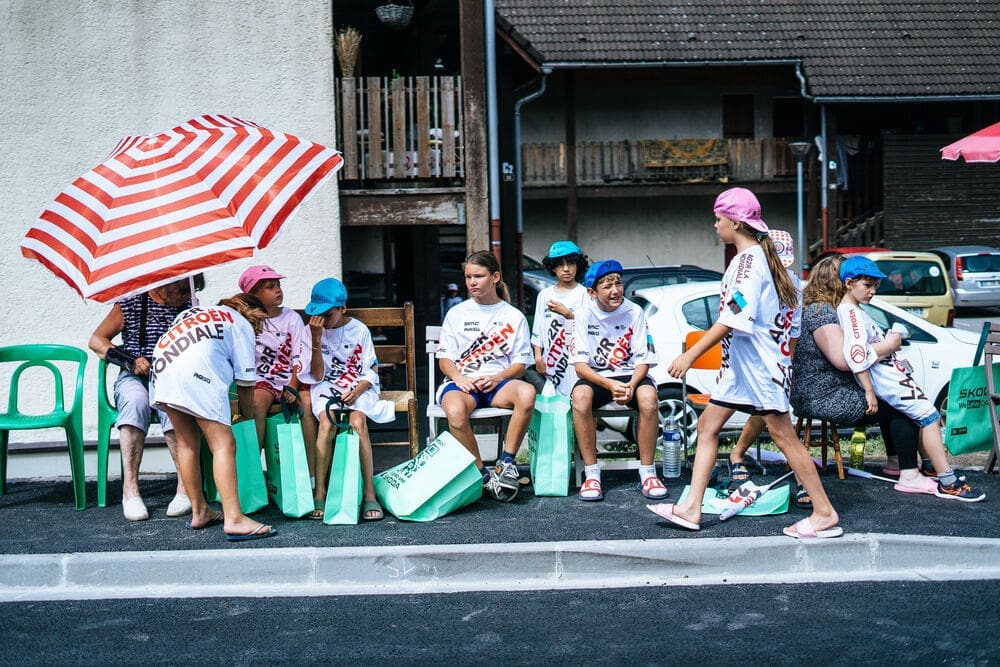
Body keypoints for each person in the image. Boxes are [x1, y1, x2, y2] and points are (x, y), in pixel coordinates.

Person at [649, 186, 842, 539]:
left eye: (718, 218)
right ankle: (691, 507)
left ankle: (824, 512)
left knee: (783, 436)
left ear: (735, 223)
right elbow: (787, 328)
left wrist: (690, 354)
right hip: (751, 365)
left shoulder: (748, 261)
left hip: (757, 365)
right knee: (708, 426)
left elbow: (735, 316)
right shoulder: (765, 261)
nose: (715, 225)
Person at [838, 256, 986, 502]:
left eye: (875, 285)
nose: (873, 291)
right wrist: (869, 388)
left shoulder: (855, 310)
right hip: (886, 380)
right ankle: (947, 480)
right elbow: (856, 356)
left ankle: (931, 468)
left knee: (923, 416)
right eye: (867, 285)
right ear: (849, 283)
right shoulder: (851, 313)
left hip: (889, 378)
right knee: (930, 416)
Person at [787, 254, 924, 506]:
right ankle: (907, 471)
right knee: (899, 404)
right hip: (825, 395)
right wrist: (888, 346)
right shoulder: (822, 312)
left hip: (818, 391)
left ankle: (896, 463)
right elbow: (842, 359)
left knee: (889, 398)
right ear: (838, 282)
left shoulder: (818, 309)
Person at [150, 293, 277, 541]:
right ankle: (235, 519)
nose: (259, 332)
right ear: (255, 316)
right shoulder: (240, 324)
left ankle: (199, 512)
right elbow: (246, 382)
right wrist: (246, 418)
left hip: (164, 371)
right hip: (197, 373)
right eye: (260, 326)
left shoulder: (195, 313)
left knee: (187, 444)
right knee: (224, 444)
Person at [88, 275, 204, 521]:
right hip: (135, 377)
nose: (184, 296)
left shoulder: (190, 305)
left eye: (187, 292)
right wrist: (129, 360)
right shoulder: (131, 302)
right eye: (181, 290)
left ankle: (185, 488)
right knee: (135, 402)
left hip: (171, 378)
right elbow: (96, 341)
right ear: (165, 283)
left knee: (174, 405)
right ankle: (130, 491)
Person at [435, 250, 536, 502]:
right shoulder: (457, 313)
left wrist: (497, 378)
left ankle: (506, 463)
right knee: (456, 412)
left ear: (495, 277)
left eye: (478, 276)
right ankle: (483, 474)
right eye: (468, 276)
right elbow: (444, 359)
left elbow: (521, 364)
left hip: (497, 385)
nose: (472, 282)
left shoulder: (513, 316)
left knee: (527, 392)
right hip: (461, 384)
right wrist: (459, 378)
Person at [297, 277, 394, 521]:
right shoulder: (311, 332)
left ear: (343, 309)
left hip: (358, 385)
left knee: (358, 422)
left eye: (326, 315)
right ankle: (320, 491)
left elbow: (370, 369)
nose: (321, 320)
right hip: (326, 385)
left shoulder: (359, 330)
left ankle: (369, 494)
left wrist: (358, 391)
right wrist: (316, 339)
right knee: (327, 422)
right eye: (315, 314)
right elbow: (316, 375)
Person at [570, 259, 667, 502]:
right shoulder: (582, 315)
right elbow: (581, 367)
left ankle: (648, 472)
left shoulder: (635, 311)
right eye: (607, 286)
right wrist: (610, 385)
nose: (615, 290)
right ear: (592, 292)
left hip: (630, 375)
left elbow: (644, 359)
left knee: (648, 398)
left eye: (618, 284)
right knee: (580, 398)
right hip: (597, 376)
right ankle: (591, 474)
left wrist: (632, 385)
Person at [726, 229, 802, 488]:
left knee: (780, 429)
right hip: (746, 359)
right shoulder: (752, 271)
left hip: (772, 361)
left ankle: (815, 496)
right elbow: (734, 312)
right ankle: (735, 455)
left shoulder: (793, 283)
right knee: (708, 425)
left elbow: (794, 330)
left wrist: (785, 360)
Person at [238, 265, 318, 478]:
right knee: (255, 403)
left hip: (292, 380)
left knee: (307, 406)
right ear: (254, 294)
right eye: (271, 287)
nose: (278, 290)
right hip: (261, 381)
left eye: (279, 285)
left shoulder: (291, 318)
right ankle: (254, 473)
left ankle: (311, 475)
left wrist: (292, 385)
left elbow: (299, 355)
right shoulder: (248, 321)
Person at [527, 240, 590, 395]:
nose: (566, 269)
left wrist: (567, 314)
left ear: (578, 265)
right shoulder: (544, 295)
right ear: (553, 267)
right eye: (560, 264)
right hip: (551, 360)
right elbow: (538, 328)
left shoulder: (584, 294)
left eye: (570, 263)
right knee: (554, 404)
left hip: (576, 361)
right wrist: (538, 357)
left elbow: (589, 327)